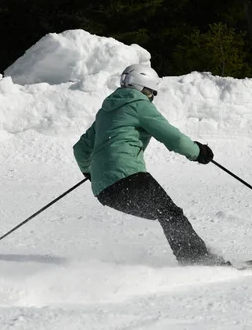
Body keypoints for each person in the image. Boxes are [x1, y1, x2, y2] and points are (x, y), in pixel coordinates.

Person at [73, 64, 229, 266]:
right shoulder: (139, 105)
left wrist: (91, 173)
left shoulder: (106, 112)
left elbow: (80, 149)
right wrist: (198, 152)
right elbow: (173, 138)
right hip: (128, 178)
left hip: (105, 191)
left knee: (165, 213)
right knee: (171, 214)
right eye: (150, 92)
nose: (151, 97)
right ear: (141, 87)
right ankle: (197, 260)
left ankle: (195, 257)